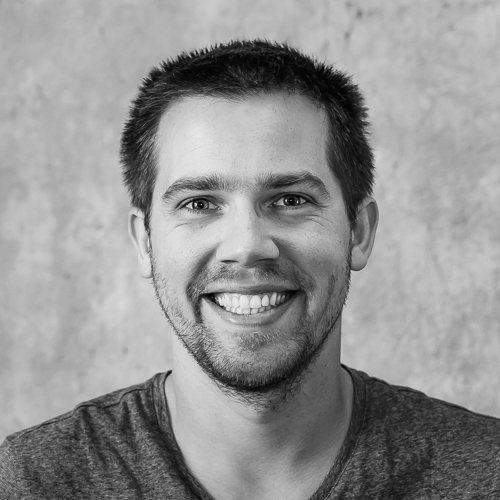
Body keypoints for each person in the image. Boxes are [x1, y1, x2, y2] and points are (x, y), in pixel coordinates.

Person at [1, 39, 499, 499]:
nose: (246, 247)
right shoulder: (32, 483)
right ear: (145, 242)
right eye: (199, 204)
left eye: (290, 199)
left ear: (359, 233)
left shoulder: (485, 475)